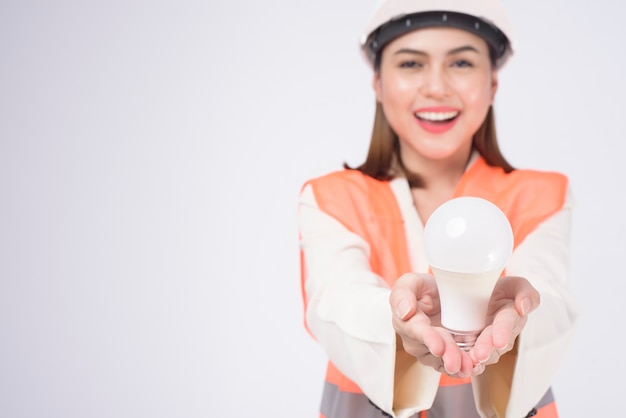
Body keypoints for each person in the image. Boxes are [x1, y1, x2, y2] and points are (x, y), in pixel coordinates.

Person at [297, 0, 579, 417]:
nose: (437, 87)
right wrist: (396, 324)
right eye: (411, 64)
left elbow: (550, 300)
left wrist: (520, 320)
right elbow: (335, 300)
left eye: (461, 64)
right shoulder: (332, 198)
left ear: (493, 84)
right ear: (377, 82)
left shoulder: (541, 195)